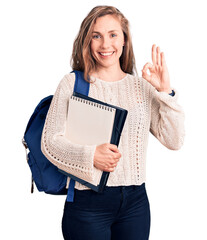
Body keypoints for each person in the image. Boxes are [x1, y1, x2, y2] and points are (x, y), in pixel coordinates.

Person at [41, 5, 185, 240]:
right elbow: (49, 143)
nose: (105, 44)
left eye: (113, 34)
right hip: (87, 204)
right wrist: (91, 155)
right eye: (96, 36)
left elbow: (174, 140)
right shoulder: (72, 83)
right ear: (87, 41)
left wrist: (165, 91)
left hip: (136, 203)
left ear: (125, 40)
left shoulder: (142, 87)